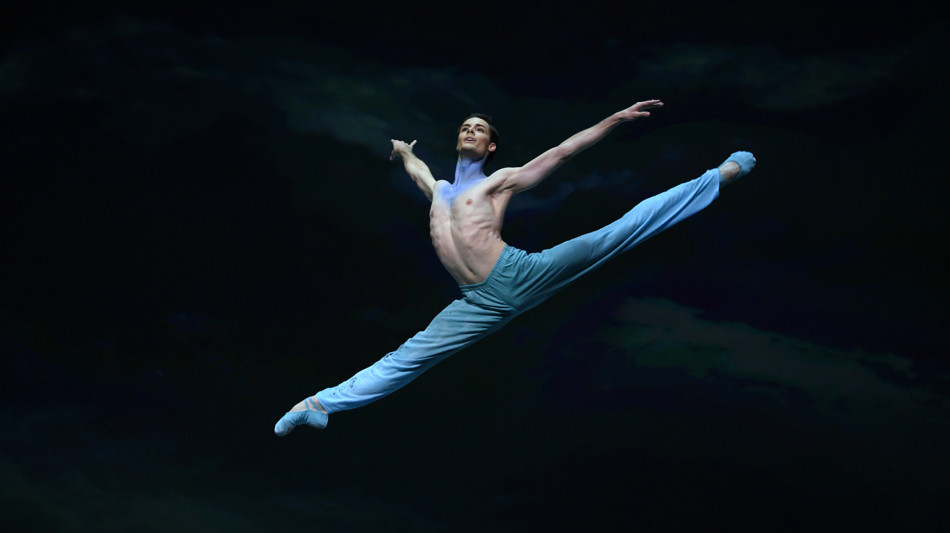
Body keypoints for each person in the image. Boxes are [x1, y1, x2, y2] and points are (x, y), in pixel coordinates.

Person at [274, 100, 755, 435]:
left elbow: (562, 153)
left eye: (479, 130)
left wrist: (614, 119)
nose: (470, 131)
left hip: (519, 273)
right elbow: (418, 172)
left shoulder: (498, 182)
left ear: (491, 149)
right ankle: (317, 405)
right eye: (465, 127)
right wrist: (406, 152)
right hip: (477, 303)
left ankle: (720, 176)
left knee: (616, 233)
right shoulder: (440, 191)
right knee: (408, 356)